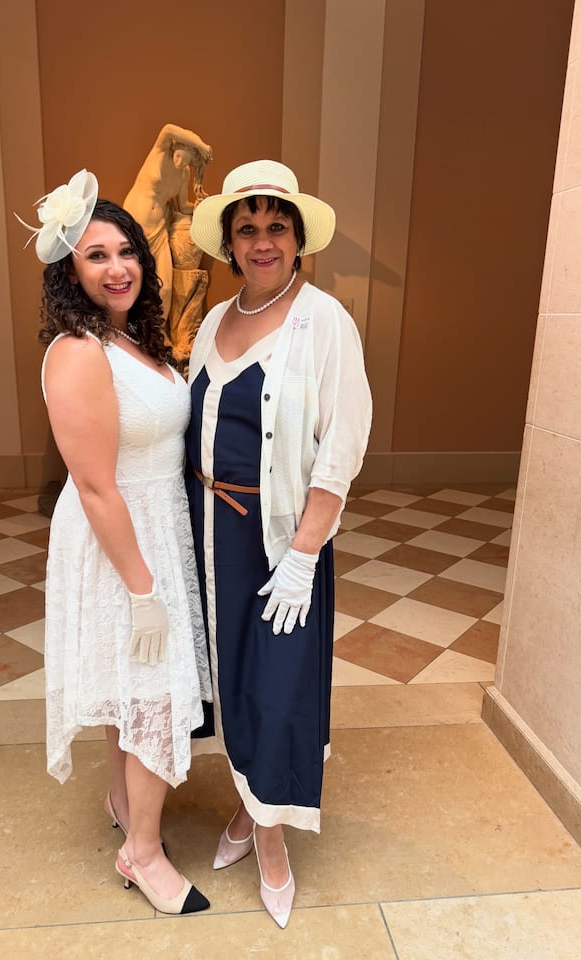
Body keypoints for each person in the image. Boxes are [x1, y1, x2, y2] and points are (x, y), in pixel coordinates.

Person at [17, 169, 212, 915]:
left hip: (155, 522)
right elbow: (97, 486)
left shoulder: (130, 338)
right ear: (69, 270)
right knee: (155, 693)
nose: (117, 267)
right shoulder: (78, 351)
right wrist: (142, 590)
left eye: (126, 250)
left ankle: (124, 802)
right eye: (96, 255)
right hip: (120, 541)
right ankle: (143, 854)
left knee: (133, 688)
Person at [186, 160, 373, 928]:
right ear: (230, 243)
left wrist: (302, 556)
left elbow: (342, 444)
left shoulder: (323, 321)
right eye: (247, 228)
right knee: (234, 685)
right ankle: (248, 806)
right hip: (213, 538)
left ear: (298, 239)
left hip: (280, 541)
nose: (262, 242)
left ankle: (269, 840)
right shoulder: (212, 322)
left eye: (276, 227)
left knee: (276, 689)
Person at [123, 124, 213, 320]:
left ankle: (159, 331)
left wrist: (202, 206)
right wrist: (201, 145)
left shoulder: (184, 174)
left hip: (158, 230)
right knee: (132, 284)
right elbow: (168, 129)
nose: (181, 162)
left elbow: (183, 206)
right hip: (133, 226)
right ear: (175, 147)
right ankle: (130, 330)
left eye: (187, 160)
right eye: (180, 156)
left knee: (165, 287)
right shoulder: (160, 153)